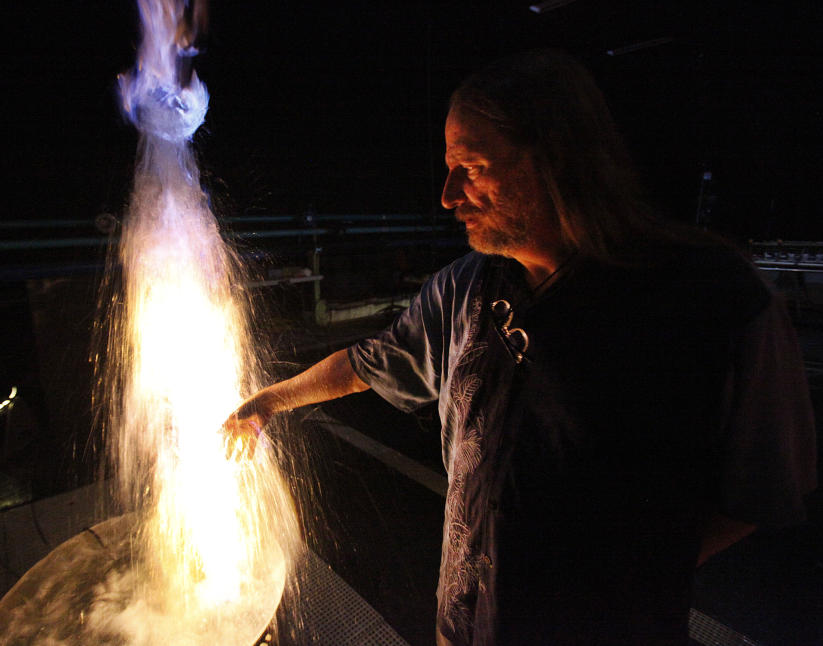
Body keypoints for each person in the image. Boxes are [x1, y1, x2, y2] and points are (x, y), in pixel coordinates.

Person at [224, 49, 817, 646]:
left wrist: (627, 576)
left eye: (472, 167)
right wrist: (267, 402)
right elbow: (365, 362)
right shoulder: (464, 289)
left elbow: (763, 486)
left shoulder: (712, 298)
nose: (449, 195)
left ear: (558, 162)